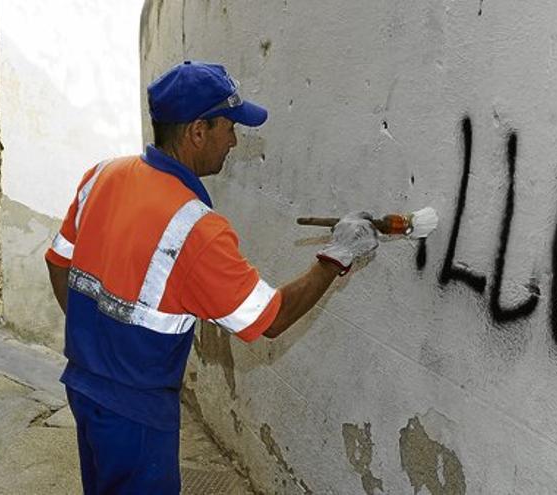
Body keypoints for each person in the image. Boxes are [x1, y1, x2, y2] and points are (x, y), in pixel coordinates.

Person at [44, 61, 379, 494]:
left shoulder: (102, 175)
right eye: (230, 128)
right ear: (197, 132)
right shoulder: (194, 228)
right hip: (137, 411)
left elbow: (57, 262)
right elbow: (269, 318)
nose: (235, 141)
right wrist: (337, 257)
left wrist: (96, 344)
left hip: (83, 384)